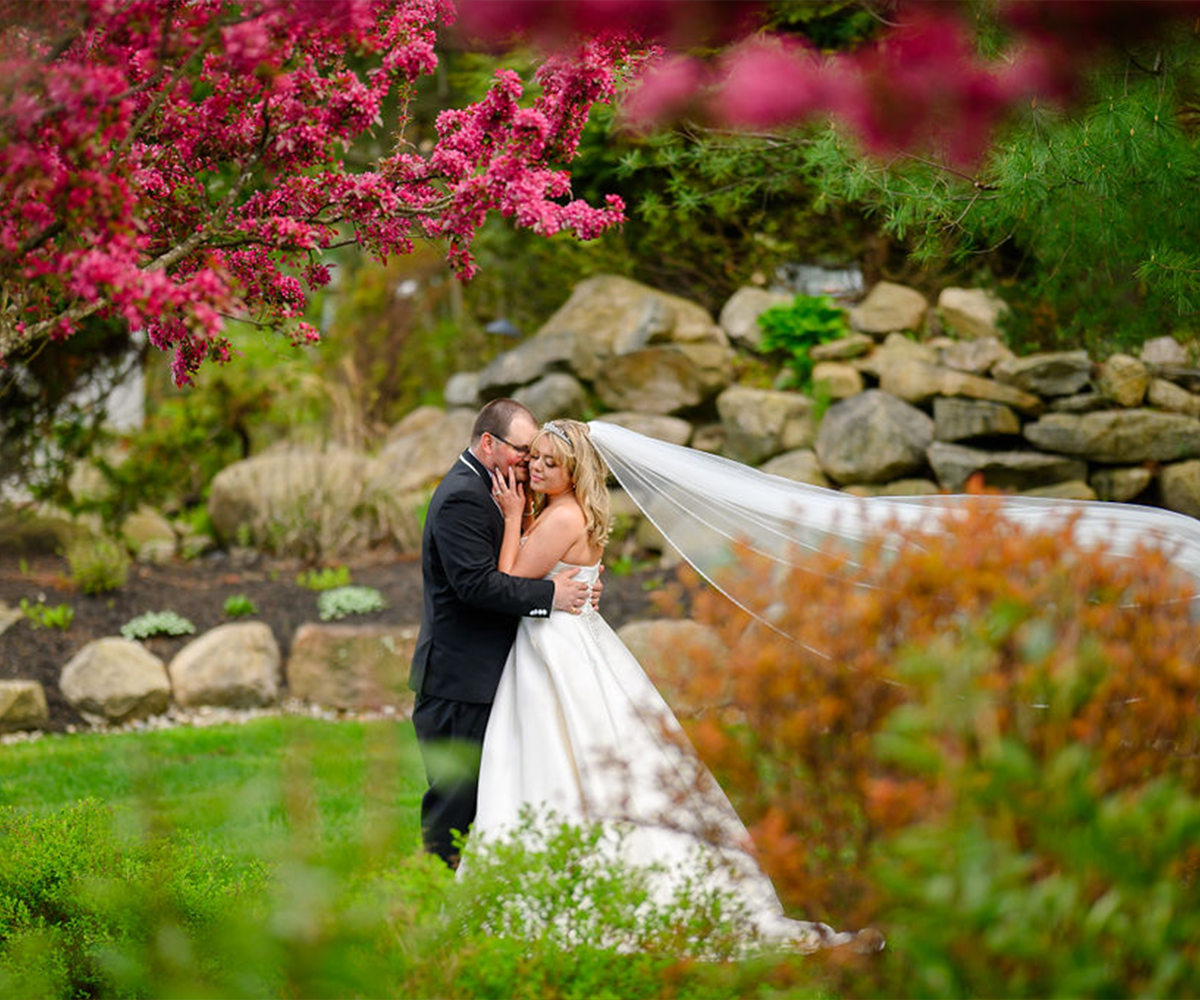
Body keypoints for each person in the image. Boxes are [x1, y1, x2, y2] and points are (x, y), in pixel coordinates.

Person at [473, 418, 878, 953]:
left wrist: (510, 516)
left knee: (557, 746)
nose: (537, 468)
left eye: (551, 461)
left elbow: (507, 579)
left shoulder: (559, 516)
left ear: (575, 470)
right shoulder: (579, 514)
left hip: (555, 649)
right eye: (537, 457)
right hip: (576, 641)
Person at [409, 399, 596, 868]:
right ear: (488, 443)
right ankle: (428, 899)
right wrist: (548, 594)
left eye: (538, 455)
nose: (529, 461)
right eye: (523, 450)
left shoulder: (497, 485)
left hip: (492, 672)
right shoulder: (462, 497)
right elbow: (475, 585)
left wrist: (580, 577)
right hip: (459, 680)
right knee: (455, 803)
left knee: (489, 795)